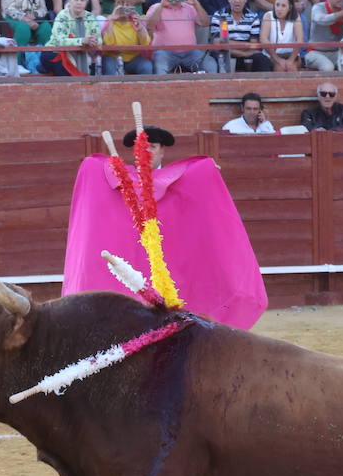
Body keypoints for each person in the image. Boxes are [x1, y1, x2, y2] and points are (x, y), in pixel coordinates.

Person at [63, 125, 266, 330]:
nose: (146, 151)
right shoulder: (118, 179)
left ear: (162, 150)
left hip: (175, 260)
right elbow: (94, 173)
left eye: (152, 146)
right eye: (141, 147)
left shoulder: (183, 180)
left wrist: (206, 174)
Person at [146, 0, 213, 72]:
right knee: (160, 68)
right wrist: (162, 5)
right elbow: (149, 26)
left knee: (210, 64)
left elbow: (205, 23)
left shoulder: (189, 7)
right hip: (164, 53)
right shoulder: (156, 7)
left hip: (190, 52)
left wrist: (195, 3)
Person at [41, 0, 101, 73]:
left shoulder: (90, 16)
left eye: (82, 0)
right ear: (70, 1)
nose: (79, 2)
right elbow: (60, 41)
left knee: (94, 63)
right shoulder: (62, 15)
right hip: (55, 51)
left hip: (82, 53)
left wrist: (93, 41)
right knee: (63, 67)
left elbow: (99, 39)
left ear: (86, 2)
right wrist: (82, 41)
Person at [208, 0, 269, 70]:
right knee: (220, 55)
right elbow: (218, 43)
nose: (237, 0)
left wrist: (230, 44)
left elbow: (254, 45)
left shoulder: (253, 17)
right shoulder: (219, 15)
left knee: (262, 59)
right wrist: (244, 49)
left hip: (244, 52)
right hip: (225, 53)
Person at [100, 0, 152, 73]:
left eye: (127, 5)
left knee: (146, 66)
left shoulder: (136, 22)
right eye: (121, 5)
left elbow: (145, 43)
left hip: (133, 58)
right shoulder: (110, 22)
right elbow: (109, 44)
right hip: (113, 57)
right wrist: (112, 19)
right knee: (109, 66)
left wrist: (140, 26)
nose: (124, 8)